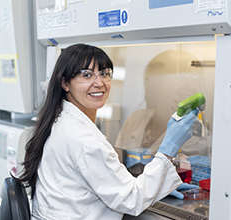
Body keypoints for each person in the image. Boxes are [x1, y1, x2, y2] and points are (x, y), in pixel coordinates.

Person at [17, 43, 199, 220]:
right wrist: (170, 147)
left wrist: (162, 184)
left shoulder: (59, 120)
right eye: (87, 75)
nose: (99, 83)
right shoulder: (83, 138)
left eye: (104, 74)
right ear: (65, 83)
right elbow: (132, 199)